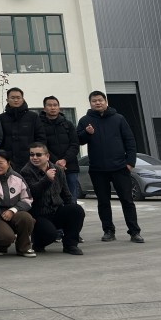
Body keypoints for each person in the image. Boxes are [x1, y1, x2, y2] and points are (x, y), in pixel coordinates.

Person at [77, 91, 143, 243]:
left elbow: (130, 141)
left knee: (127, 200)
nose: (97, 103)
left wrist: (130, 163)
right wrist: (87, 133)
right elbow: (78, 140)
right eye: (94, 101)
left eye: (100, 100)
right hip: (98, 169)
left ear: (105, 101)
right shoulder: (85, 120)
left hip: (120, 167)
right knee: (103, 202)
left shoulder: (118, 118)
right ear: (90, 103)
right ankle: (108, 231)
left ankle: (134, 232)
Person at [20, 142, 85, 255]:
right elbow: (33, 194)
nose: (34, 157)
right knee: (51, 234)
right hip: (38, 214)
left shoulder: (58, 170)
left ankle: (70, 245)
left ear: (47, 156)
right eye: (32, 154)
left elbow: (66, 194)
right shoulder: (26, 171)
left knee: (76, 210)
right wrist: (46, 179)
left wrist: (71, 210)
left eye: (38, 155)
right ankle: (38, 243)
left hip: (56, 210)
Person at [0, 149, 36, 258]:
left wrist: (13, 210)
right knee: (6, 237)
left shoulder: (17, 178)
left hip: (14, 214)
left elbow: (27, 199)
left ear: (8, 163)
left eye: (1, 163)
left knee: (26, 218)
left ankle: (24, 247)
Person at [40, 96, 81, 201]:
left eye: (55, 105)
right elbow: (41, 147)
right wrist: (56, 162)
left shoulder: (68, 124)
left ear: (59, 107)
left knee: (71, 198)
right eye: (49, 105)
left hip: (70, 167)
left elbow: (75, 145)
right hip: (49, 167)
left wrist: (64, 160)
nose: (53, 107)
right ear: (44, 108)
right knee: (53, 198)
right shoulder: (39, 125)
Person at [0, 87, 45, 172]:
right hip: (8, 162)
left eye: (18, 97)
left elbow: (41, 137)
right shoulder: (1, 118)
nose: (16, 100)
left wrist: (37, 156)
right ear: (7, 100)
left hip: (30, 161)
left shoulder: (33, 117)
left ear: (23, 99)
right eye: (12, 98)